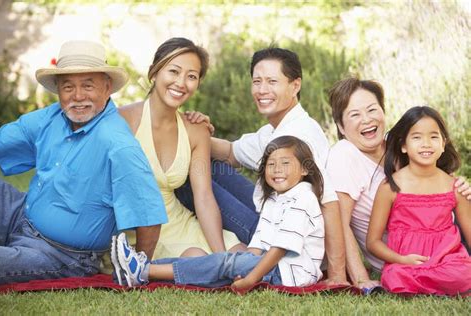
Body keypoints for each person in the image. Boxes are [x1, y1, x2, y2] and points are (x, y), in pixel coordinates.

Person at [0, 40, 167, 285]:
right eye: (68, 87)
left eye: (88, 85)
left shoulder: (118, 144)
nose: (77, 96)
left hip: (61, 256)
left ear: (107, 88)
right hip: (21, 216)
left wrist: (139, 269)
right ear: (58, 90)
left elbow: (149, 215)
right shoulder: (50, 116)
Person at [181, 47, 347, 285]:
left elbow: (329, 203)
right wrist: (192, 130)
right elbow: (230, 152)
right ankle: (223, 252)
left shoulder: (301, 134)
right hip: (269, 216)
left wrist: (338, 273)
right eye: (257, 81)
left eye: (272, 81)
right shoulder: (275, 130)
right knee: (208, 164)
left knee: (189, 176)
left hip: (285, 239)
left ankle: (221, 258)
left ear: (295, 85)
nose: (262, 90)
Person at [112, 136, 326, 290]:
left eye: (285, 163)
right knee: (224, 264)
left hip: (291, 273)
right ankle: (137, 270)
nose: (277, 169)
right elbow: (259, 242)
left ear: (305, 169)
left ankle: (144, 270)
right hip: (273, 266)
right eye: (271, 164)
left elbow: (280, 248)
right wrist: (243, 261)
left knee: (224, 264)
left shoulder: (303, 197)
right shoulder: (274, 199)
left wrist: (250, 278)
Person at [326, 77, 471, 290]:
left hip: (448, 238)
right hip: (400, 253)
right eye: (355, 114)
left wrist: (461, 186)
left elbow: (436, 180)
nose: (366, 120)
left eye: (372, 110)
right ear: (341, 126)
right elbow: (339, 221)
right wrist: (360, 277)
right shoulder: (344, 154)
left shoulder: (398, 143)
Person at [117, 37, 244, 260]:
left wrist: (221, 255)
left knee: (242, 256)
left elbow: (204, 197)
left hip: (180, 224)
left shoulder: (196, 130)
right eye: (174, 71)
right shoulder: (124, 120)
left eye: (192, 76)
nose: (181, 83)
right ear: (154, 73)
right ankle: (142, 268)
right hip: (138, 232)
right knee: (196, 258)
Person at [366, 106, 471, 295]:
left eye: (433, 137)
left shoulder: (454, 187)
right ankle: (436, 285)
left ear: (443, 143)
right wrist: (401, 259)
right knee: (395, 276)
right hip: (404, 264)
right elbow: (372, 242)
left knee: (464, 273)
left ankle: (435, 283)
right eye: (417, 137)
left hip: (447, 260)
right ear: (403, 145)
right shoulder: (390, 187)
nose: (426, 144)